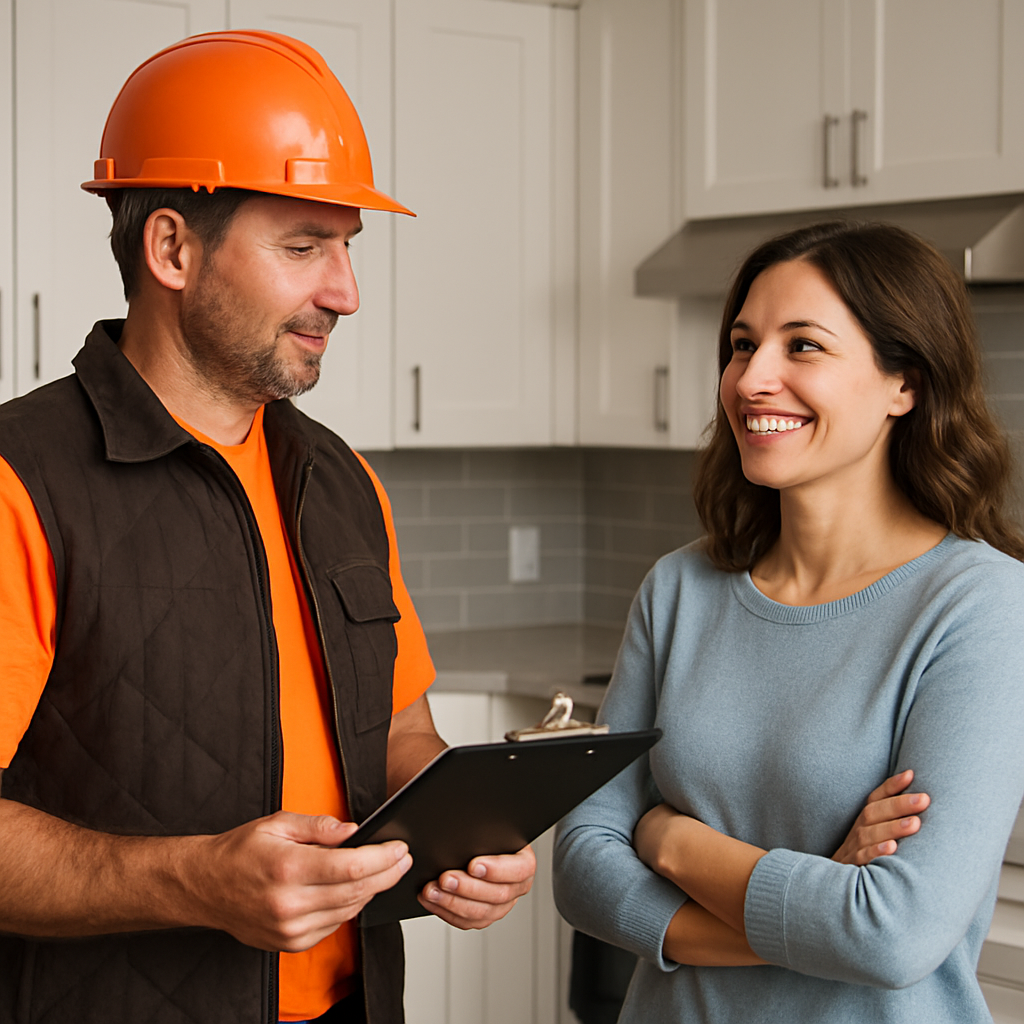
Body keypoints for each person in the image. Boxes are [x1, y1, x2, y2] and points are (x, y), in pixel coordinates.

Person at [0, 30, 534, 1024]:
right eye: (303, 247)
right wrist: (190, 880)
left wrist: (460, 836)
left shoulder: (341, 480)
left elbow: (402, 731)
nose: (346, 291)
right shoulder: (21, 480)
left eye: (346, 247)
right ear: (170, 247)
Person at [552, 220, 1024, 1023]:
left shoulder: (979, 604)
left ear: (902, 384)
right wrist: (810, 893)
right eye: (741, 345)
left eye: (802, 346)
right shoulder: (680, 590)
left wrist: (672, 841)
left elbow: (892, 934)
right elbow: (582, 870)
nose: (750, 379)